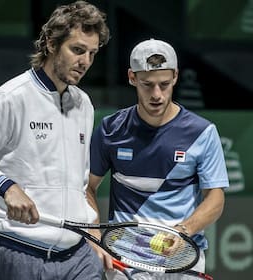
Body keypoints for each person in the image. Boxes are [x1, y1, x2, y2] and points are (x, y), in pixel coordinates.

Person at [0, 1, 110, 279]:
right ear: (50, 44)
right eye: (77, 50)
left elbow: (78, 182)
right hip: (19, 253)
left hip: (78, 256)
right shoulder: (11, 97)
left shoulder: (84, 104)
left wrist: (90, 226)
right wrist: (5, 186)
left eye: (92, 53)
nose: (85, 62)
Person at [86, 39, 229, 279]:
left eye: (164, 84)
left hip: (182, 257)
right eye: (147, 85)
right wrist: (96, 237)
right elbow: (87, 187)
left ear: (175, 76)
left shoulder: (202, 132)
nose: (157, 95)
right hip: (125, 258)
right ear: (132, 78)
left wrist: (185, 230)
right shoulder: (110, 130)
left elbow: (215, 197)